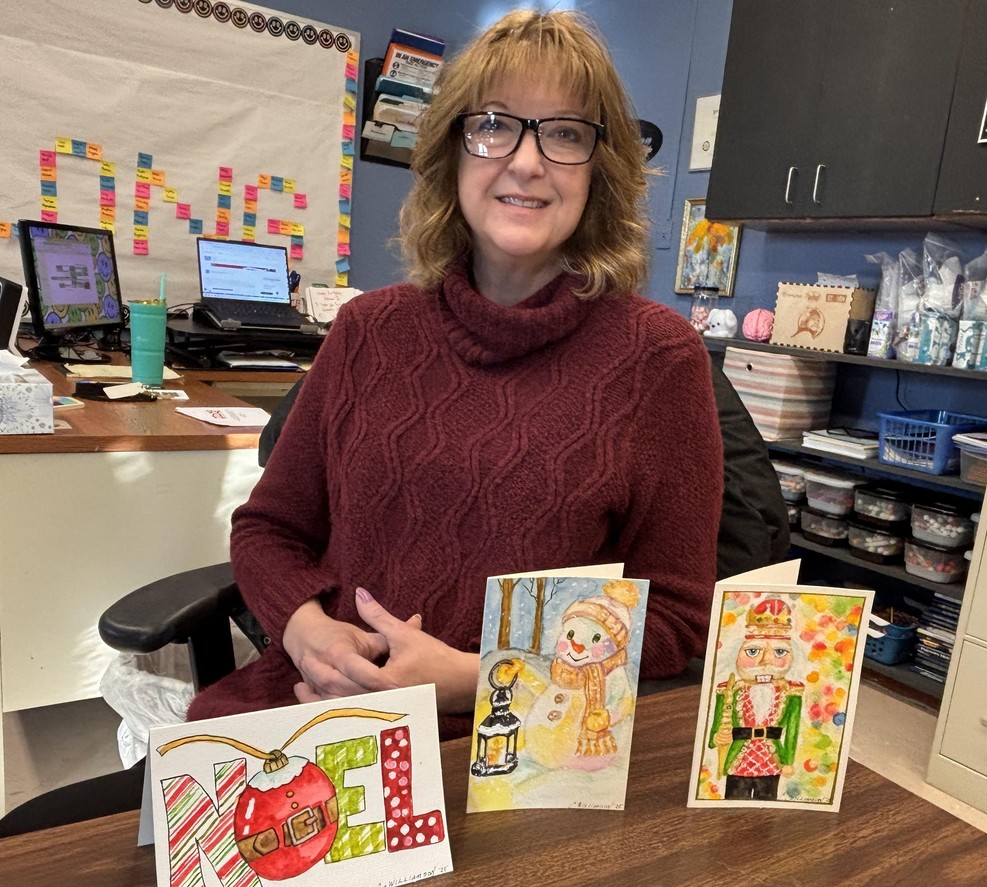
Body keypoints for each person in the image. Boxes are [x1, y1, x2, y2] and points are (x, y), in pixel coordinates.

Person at [187, 9, 724, 739]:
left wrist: (473, 680)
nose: (527, 162)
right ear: (453, 152)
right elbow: (268, 529)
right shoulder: (367, 330)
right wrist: (305, 631)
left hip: (518, 751)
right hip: (324, 714)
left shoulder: (657, 359)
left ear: (602, 171)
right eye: (495, 125)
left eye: (566, 133)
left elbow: (675, 621)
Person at [710, 597, 803, 800]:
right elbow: (717, 723)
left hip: (772, 759)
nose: (765, 660)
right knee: (734, 800)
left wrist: (787, 761)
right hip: (738, 757)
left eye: (779, 652)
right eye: (753, 651)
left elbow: (792, 730)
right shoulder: (729, 690)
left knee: (767, 800)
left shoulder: (791, 693)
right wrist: (716, 738)